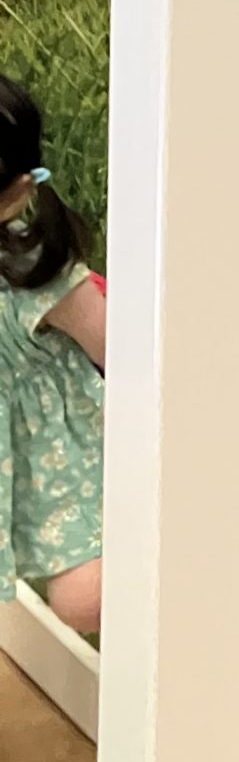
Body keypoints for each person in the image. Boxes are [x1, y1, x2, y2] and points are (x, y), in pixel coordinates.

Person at [0, 77, 106, 637]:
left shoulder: (36, 270)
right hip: (29, 449)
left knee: (82, 597)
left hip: (54, 454)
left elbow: (119, 351)